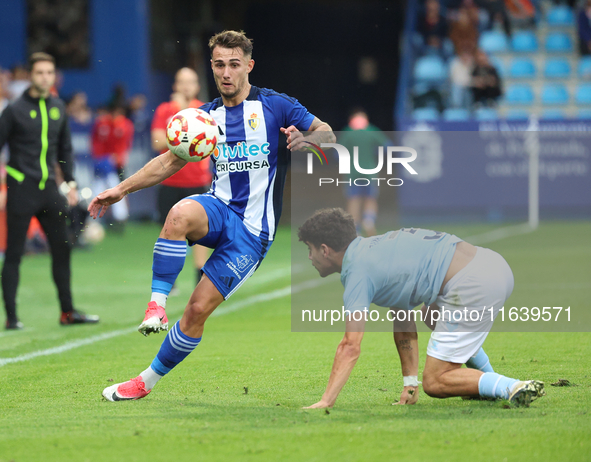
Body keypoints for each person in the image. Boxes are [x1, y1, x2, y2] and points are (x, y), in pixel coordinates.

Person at [88, 30, 334, 401]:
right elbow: (170, 160)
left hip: (253, 234)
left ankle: (145, 382)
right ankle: (156, 304)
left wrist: (308, 140)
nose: (226, 73)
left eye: (234, 64)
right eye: (219, 64)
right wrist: (121, 189)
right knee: (179, 213)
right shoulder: (204, 117)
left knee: (197, 311)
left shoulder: (275, 106)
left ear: (249, 66)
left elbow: (327, 132)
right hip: (218, 209)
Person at [298, 208, 545, 409]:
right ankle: (488, 382)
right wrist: (409, 384)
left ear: (325, 250)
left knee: (436, 382)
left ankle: (510, 387)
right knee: (430, 313)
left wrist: (326, 401)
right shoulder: (374, 248)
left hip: (472, 285)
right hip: (493, 264)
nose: (310, 257)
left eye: (310, 249)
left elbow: (350, 346)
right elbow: (402, 316)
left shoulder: (357, 273)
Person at [0, 52, 99, 329]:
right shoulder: (14, 110)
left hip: (49, 191)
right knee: (14, 254)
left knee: (62, 249)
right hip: (21, 189)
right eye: (40, 72)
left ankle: (68, 312)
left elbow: (65, 149)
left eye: (49, 72)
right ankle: (11, 317)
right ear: (31, 76)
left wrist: (69, 183)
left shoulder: (58, 107)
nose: (45, 77)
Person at [150, 68, 212, 287]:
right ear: (175, 86)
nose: (186, 86)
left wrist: (182, 112)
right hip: (169, 180)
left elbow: (207, 141)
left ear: (197, 86)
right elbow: (156, 141)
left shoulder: (203, 111)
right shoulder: (166, 110)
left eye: (191, 82)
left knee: (202, 231)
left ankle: (199, 273)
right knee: (167, 230)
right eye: (182, 82)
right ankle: (168, 276)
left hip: (198, 180)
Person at [337, 109, 391, 236]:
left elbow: (337, 153)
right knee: (370, 199)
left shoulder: (347, 133)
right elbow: (387, 145)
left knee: (353, 200)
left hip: (352, 173)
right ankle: (369, 220)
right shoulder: (372, 131)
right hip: (370, 172)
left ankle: (355, 227)